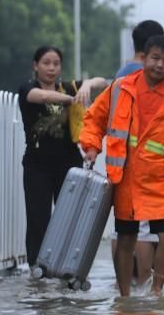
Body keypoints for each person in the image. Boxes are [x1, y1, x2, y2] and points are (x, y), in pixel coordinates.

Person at [80, 35, 164, 296]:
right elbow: (94, 119)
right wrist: (91, 147)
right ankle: (124, 295)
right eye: (155, 58)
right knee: (126, 238)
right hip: (127, 180)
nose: (160, 65)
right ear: (143, 58)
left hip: (163, 182)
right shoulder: (121, 88)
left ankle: (157, 290)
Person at [18, 46, 106, 270]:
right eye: (46, 63)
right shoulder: (29, 87)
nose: (51, 68)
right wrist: (71, 99)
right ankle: (37, 267)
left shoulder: (71, 87)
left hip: (69, 165)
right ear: (35, 65)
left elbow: (102, 82)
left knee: (70, 219)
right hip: (37, 165)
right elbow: (41, 96)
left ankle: (68, 266)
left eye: (56, 63)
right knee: (38, 218)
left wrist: (86, 85)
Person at [111, 19, 164, 287]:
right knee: (145, 232)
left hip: (120, 166)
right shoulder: (147, 79)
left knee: (123, 230)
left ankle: (123, 289)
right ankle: (145, 284)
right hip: (147, 167)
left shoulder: (119, 76)